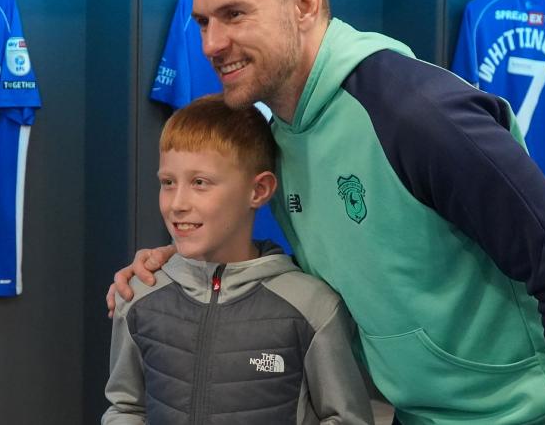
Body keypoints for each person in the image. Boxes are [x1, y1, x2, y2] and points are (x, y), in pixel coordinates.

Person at [108, 0, 545, 425]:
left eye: (234, 14)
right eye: (203, 21)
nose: (211, 44)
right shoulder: (281, 132)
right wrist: (178, 259)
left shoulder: (417, 115)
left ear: (305, 5)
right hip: (416, 414)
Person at [103, 94, 374, 424]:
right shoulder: (137, 295)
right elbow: (126, 407)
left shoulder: (313, 307)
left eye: (200, 183)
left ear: (258, 190)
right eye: (168, 182)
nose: (177, 204)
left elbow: (347, 418)